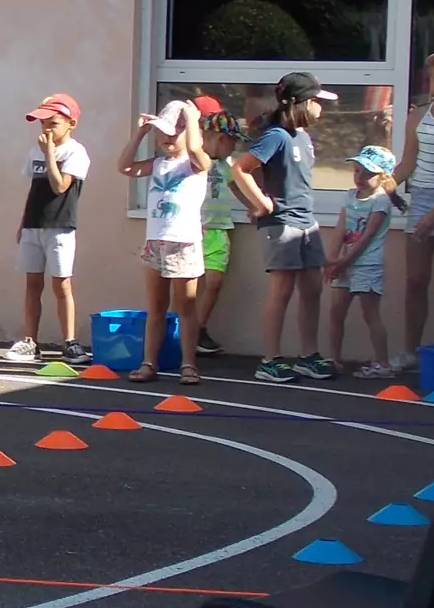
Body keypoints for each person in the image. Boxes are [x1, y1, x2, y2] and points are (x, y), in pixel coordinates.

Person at [230, 71, 337, 384]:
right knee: (282, 291)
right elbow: (240, 168)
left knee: (313, 289)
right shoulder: (275, 135)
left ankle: (308, 356)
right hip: (282, 224)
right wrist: (260, 204)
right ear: (299, 102)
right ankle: (270, 360)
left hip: (307, 220)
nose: (321, 108)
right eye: (317, 101)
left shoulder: (301, 136)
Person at [117, 100, 209, 383]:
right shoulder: (157, 165)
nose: (168, 137)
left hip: (183, 243)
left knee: (186, 307)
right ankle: (149, 363)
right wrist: (140, 134)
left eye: (175, 131)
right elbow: (125, 167)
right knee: (156, 307)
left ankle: (189, 364)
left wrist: (191, 119)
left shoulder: (196, 164)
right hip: (155, 242)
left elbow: (195, 150)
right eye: (164, 132)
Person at [3, 93, 91, 365]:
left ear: (70, 123)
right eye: (42, 124)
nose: (46, 129)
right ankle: (30, 342)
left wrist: (50, 155)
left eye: (52, 123)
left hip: (60, 226)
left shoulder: (76, 152)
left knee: (61, 285)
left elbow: (60, 186)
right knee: (32, 284)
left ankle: (70, 343)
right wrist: (22, 223)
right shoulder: (36, 151)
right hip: (34, 225)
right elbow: (35, 189)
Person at [394, 49, 434, 372]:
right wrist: (385, 184)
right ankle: (410, 352)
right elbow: (407, 164)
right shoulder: (418, 115)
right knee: (416, 279)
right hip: (422, 197)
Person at [324, 145, 399, 378]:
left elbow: (366, 238)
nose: (360, 177)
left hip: (367, 265)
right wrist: (331, 261)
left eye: (368, 174)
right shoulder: (349, 196)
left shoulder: (381, 202)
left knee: (370, 314)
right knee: (336, 312)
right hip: (345, 264)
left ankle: (383, 364)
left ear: (383, 176)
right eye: (357, 171)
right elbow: (339, 230)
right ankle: (334, 359)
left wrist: (343, 263)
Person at [192, 101, 246, 357]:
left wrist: (254, 207)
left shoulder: (227, 166)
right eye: (231, 141)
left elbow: (239, 187)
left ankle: (198, 329)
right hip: (193, 231)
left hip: (218, 231)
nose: (233, 147)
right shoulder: (195, 161)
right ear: (217, 138)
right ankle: (180, 329)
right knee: (187, 285)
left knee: (214, 282)